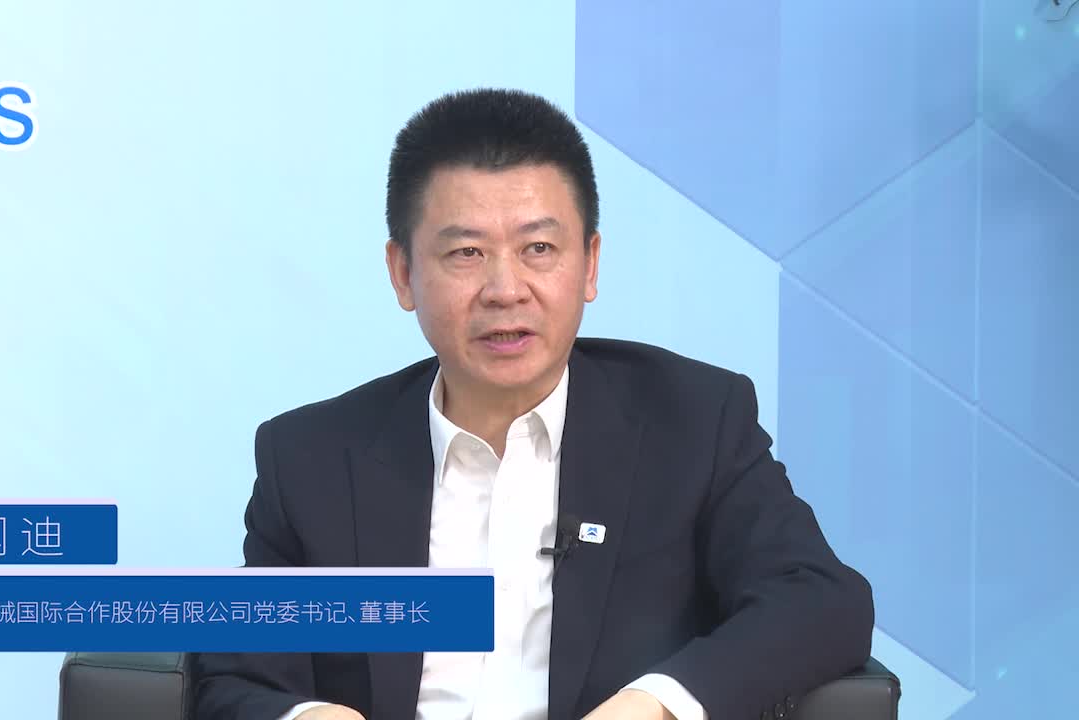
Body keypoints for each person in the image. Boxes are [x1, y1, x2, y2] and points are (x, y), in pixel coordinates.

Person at [193, 88, 874, 720]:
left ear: (591, 264)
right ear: (403, 273)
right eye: (466, 253)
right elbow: (234, 675)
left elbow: (819, 599)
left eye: (538, 248)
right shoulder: (311, 458)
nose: (505, 289)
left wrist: (656, 705)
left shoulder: (693, 424)